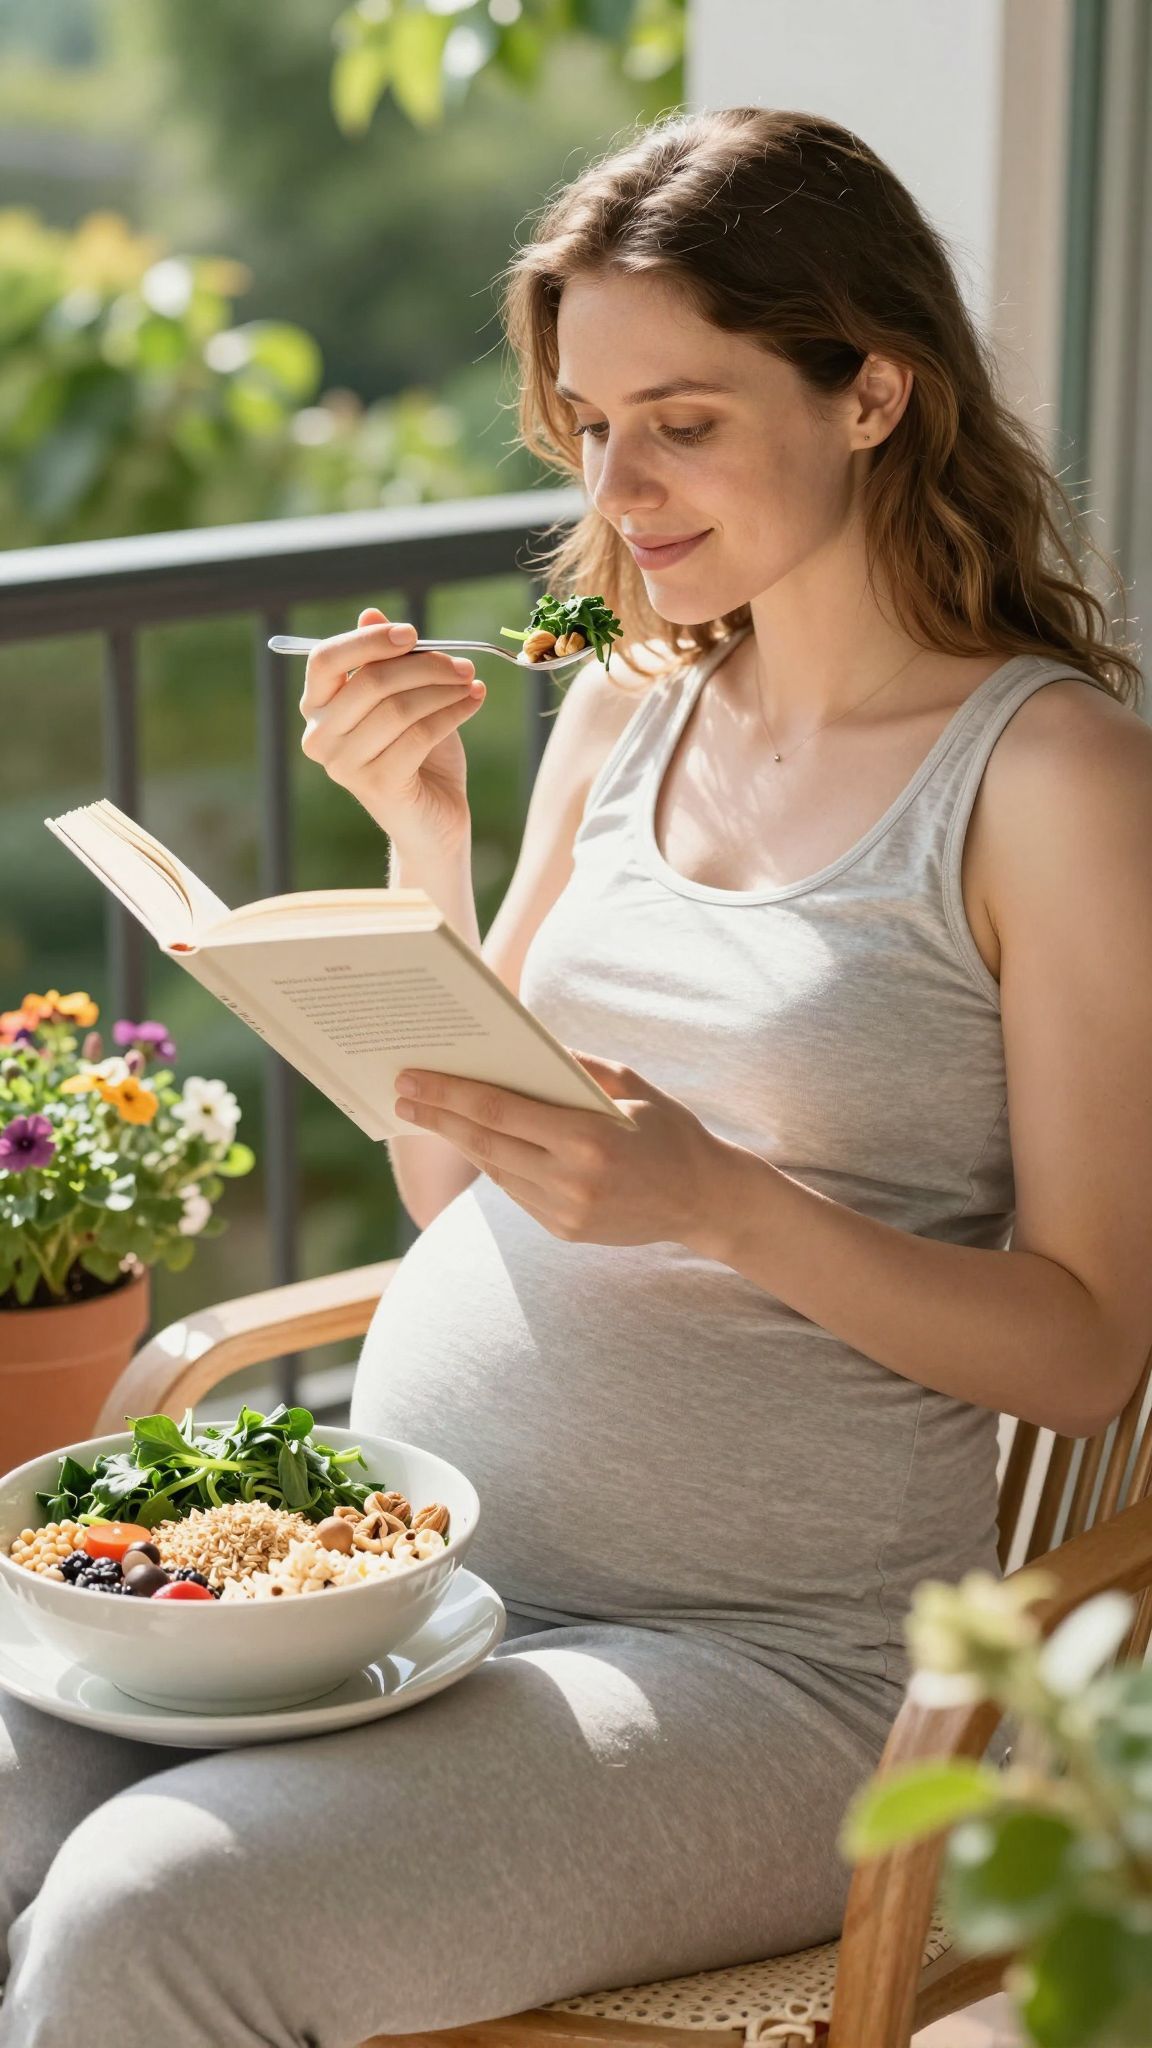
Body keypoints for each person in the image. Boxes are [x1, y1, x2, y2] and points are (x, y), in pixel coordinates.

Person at [2, 105, 1150, 2048]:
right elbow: (461, 1179)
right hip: (419, 1576)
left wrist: (723, 1202)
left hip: (772, 1676)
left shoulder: (1053, 787)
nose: (620, 489)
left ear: (873, 390)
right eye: (591, 422)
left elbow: (1093, 1345)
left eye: (685, 420)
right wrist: (420, 832)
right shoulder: (625, 701)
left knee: (145, 1915)